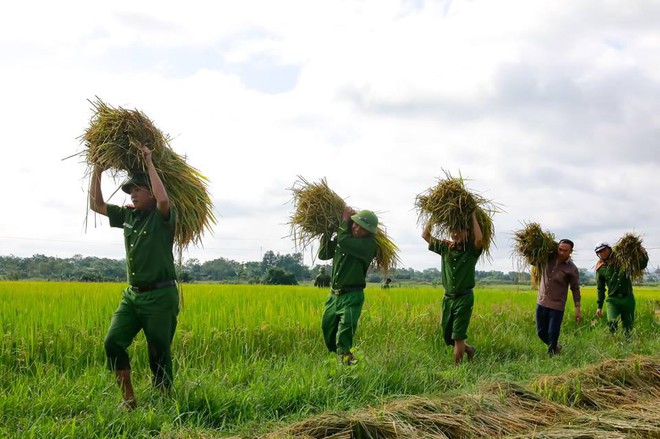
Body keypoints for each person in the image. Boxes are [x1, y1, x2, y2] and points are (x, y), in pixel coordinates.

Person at [89, 145, 179, 410]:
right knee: (113, 342)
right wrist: (98, 169)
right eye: (130, 191)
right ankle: (128, 400)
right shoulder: (129, 216)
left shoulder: (163, 218)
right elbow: (97, 204)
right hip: (132, 296)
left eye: (138, 190)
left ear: (151, 192)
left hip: (161, 296)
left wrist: (149, 162)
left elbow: (164, 201)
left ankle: (165, 400)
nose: (133, 194)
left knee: (158, 351)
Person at [318, 206, 378, 365]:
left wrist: (344, 221)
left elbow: (344, 242)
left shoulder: (369, 245)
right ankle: (348, 361)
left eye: (362, 228)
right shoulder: (344, 237)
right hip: (333, 296)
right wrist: (327, 232)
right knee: (327, 329)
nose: (357, 229)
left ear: (369, 232)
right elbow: (323, 254)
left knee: (344, 334)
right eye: (355, 224)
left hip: (352, 296)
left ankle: (345, 369)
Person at [422, 212, 482, 364]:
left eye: (459, 230)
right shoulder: (445, 248)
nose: (455, 233)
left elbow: (479, 239)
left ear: (467, 232)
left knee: (458, 336)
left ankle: (457, 369)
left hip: (464, 298)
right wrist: (434, 215)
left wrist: (473, 215)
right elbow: (425, 235)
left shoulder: (471, 251)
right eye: (452, 230)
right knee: (448, 336)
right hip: (448, 299)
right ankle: (469, 350)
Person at [535, 239, 582, 356]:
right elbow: (533, 260)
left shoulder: (571, 268)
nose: (561, 252)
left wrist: (577, 309)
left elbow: (575, 289)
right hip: (541, 302)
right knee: (541, 332)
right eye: (560, 249)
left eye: (565, 251)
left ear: (570, 252)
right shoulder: (547, 258)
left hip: (557, 306)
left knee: (553, 332)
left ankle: (552, 354)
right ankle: (556, 347)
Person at [594, 242, 648, 337]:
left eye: (604, 250)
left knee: (628, 326)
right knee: (612, 322)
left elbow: (641, 265)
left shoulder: (623, 261)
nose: (602, 253)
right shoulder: (600, 269)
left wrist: (643, 254)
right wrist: (599, 306)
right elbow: (600, 288)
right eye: (599, 252)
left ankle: (627, 345)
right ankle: (614, 342)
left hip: (628, 298)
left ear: (609, 249)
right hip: (612, 300)